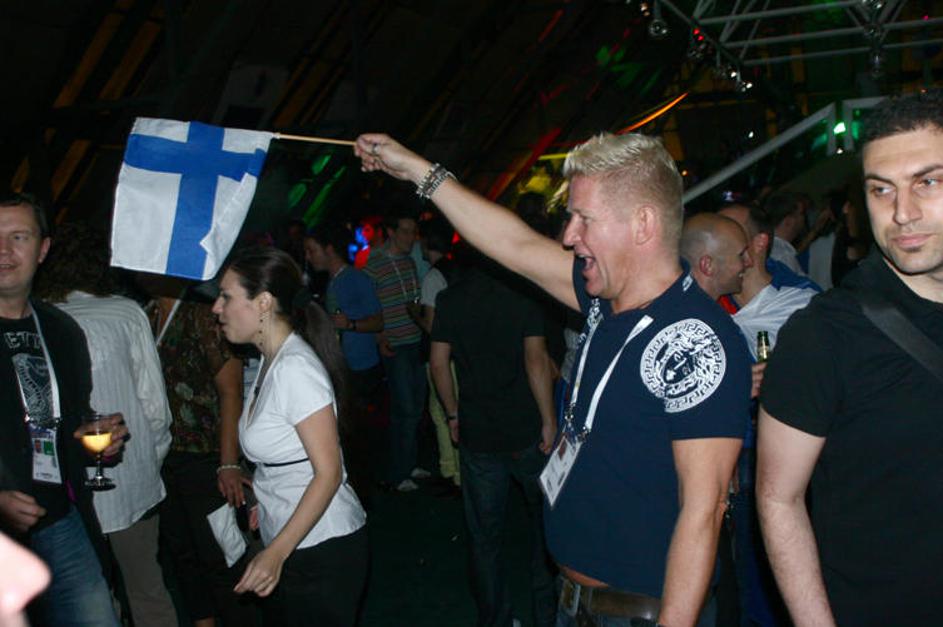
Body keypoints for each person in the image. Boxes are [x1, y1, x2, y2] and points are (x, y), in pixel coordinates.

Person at [354, 131, 750, 626]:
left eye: (585, 219)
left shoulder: (695, 341)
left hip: (636, 615)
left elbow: (703, 512)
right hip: (576, 604)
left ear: (643, 224)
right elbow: (514, 243)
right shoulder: (604, 301)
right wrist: (417, 170)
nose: (568, 236)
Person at [756, 88, 943, 625]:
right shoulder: (824, 335)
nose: (902, 213)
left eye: (927, 182)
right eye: (881, 190)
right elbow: (778, 498)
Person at [33, 222, 178, 627]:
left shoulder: (40, 319)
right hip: (133, 480)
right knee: (148, 589)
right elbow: (155, 407)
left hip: (68, 485)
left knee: (91, 599)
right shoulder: (126, 312)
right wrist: (150, 462)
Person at [213, 247, 368, 627]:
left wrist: (275, 554)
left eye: (227, 297)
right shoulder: (270, 360)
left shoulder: (295, 368)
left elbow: (329, 473)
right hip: (294, 536)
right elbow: (288, 455)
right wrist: (266, 499)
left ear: (263, 302)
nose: (217, 308)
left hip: (321, 545)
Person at [0, 193, 127, 627]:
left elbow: (67, 422)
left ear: (43, 249)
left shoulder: (60, 329)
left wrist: (94, 441)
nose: (4, 251)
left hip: (57, 517)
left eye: (18, 237)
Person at [430, 255, 557, 626]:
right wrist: (549, 420)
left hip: (479, 433)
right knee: (544, 527)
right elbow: (536, 360)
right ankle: (546, 616)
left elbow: (438, 363)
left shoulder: (451, 298)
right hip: (525, 428)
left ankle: (495, 619)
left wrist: (453, 413)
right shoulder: (524, 295)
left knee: (484, 539)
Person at [142, 273, 252, 627]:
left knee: (219, 554)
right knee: (182, 553)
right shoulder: (144, 314)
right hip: (162, 456)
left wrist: (228, 462)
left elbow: (231, 391)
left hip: (206, 455)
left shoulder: (204, 313)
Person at [304, 224, 384, 499]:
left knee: (358, 435)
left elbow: (378, 321)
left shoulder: (355, 279)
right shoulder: (333, 282)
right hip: (343, 368)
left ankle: (364, 490)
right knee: (348, 434)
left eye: (312, 250)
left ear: (329, 249)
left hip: (360, 368)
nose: (309, 257)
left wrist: (349, 324)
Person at [363, 209, 428, 492]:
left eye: (413, 232)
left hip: (415, 341)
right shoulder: (374, 265)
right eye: (405, 231)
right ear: (391, 232)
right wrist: (380, 337)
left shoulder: (409, 262)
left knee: (416, 406)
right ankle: (399, 472)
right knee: (404, 409)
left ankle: (409, 464)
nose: (411, 237)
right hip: (396, 345)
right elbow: (369, 306)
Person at [417, 218, 461, 491]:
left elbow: (433, 327)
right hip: (462, 353)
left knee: (442, 411)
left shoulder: (433, 277)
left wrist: (414, 313)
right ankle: (458, 472)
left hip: (442, 357)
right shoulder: (457, 269)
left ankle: (451, 473)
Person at [680, 212, 753, 301]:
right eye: (741, 255)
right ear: (708, 266)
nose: (749, 262)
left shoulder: (674, 302)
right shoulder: (696, 309)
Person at [761, 192, 806, 275]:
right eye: (801, 214)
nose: (803, 219)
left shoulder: (763, 247)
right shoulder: (783, 256)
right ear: (788, 221)